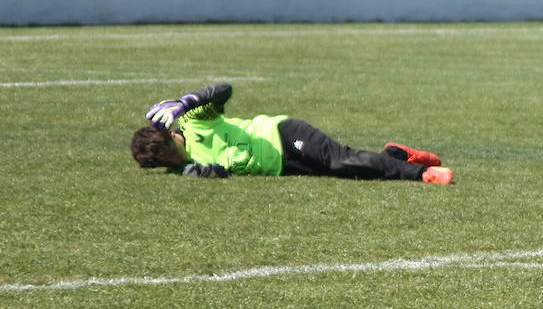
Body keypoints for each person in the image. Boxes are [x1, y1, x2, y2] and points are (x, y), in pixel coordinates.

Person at [130, 82, 453, 184]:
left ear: (171, 134)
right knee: (353, 171)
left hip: (282, 134)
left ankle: (423, 173)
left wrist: (187, 101)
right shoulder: (185, 167)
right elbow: (221, 172)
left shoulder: (194, 121)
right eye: (167, 163)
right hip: (283, 166)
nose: (176, 159)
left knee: (342, 161)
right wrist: (203, 173)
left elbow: (223, 89)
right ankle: (395, 155)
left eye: (172, 152)